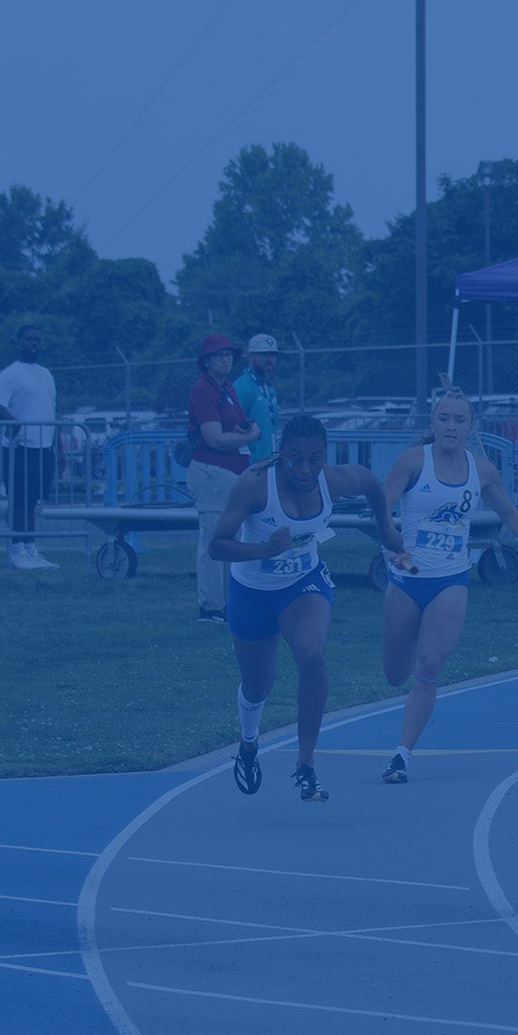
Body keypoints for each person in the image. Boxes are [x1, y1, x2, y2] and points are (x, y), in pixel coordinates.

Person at [210, 414, 404, 802]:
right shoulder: (254, 484)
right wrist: (263, 550)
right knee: (257, 685)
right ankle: (249, 743)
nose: (304, 468)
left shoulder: (330, 480)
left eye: (314, 459)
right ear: (281, 453)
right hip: (252, 590)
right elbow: (217, 545)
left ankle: (306, 764)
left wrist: (386, 530)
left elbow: (369, 481)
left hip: (303, 583)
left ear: (324, 455)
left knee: (312, 655)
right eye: (295, 458)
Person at [377, 390, 518, 785]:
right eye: (444, 419)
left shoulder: (482, 470)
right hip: (406, 581)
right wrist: (393, 545)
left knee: (430, 665)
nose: (451, 427)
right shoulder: (411, 462)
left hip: (451, 580)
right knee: (394, 673)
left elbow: (507, 511)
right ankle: (404, 669)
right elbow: (382, 509)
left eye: (460, 420)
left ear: (472, 427)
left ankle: (401, 754)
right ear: (433, 424)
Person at [187, 333, 260, 624]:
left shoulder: (226, 387)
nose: (226, 359)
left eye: (229, 354)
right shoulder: (203, 390)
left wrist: (245, 429)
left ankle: (227, 603)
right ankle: (210, 606)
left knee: (230, 537)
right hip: (211, 470)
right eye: (219, 356)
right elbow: (214, 439)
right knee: (213, 538)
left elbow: (233, 427)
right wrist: (251, 435)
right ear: (206, 362)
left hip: (229, 471)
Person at [0, 324, 66, 571]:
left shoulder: (46, 374)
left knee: (32, 502)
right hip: (20, 448)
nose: (34, 344)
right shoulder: (11, 373)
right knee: (19, 500)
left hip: (44, 447)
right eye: (29, 339)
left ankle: (31, 549)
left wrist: (59, 449)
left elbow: (52, 411)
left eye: (38, 340)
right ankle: (17, 550)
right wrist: (13, 422)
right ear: (18, 343)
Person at [233, 333, 283, 463]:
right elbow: (232, 425)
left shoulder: (269, 387)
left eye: (273, 355)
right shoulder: (241, 386)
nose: (269, 359)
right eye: (263, 355)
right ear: (250, 356)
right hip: (249, 463)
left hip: (269, 460)